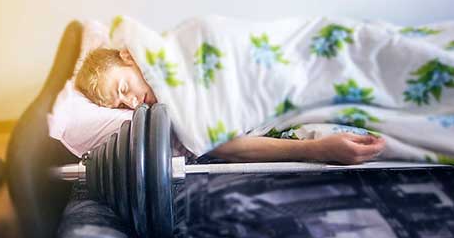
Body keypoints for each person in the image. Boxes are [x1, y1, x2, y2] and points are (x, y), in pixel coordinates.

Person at [75, 48, 386, 165]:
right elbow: (229, 147)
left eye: (124, 88)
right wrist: (318, 150)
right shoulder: (171, 117)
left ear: (129, 57)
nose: (132, 102)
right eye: (121, 103)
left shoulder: (178, 55)